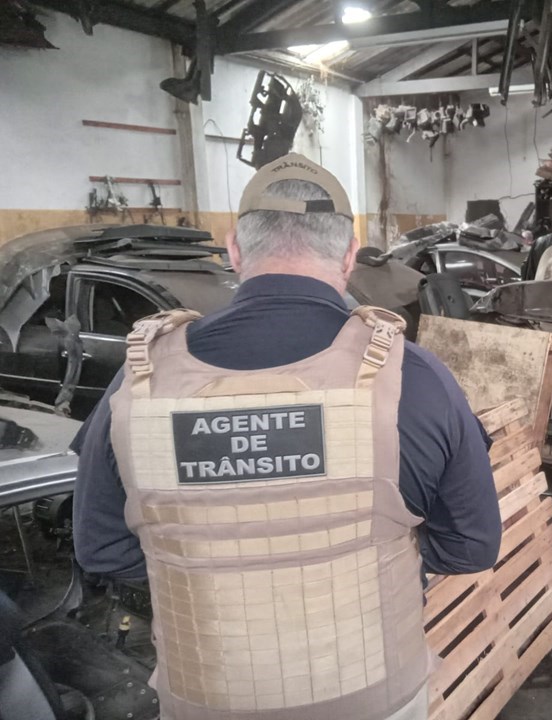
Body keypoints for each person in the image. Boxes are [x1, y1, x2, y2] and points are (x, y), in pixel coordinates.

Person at [70, 153, 502, 720]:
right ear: (349, 255)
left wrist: (214, 577)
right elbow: (471, 547)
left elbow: (101, 549)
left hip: (206, 702)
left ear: (234, 250)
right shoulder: (415, 377)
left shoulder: (139, 380)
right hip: (374, 702)